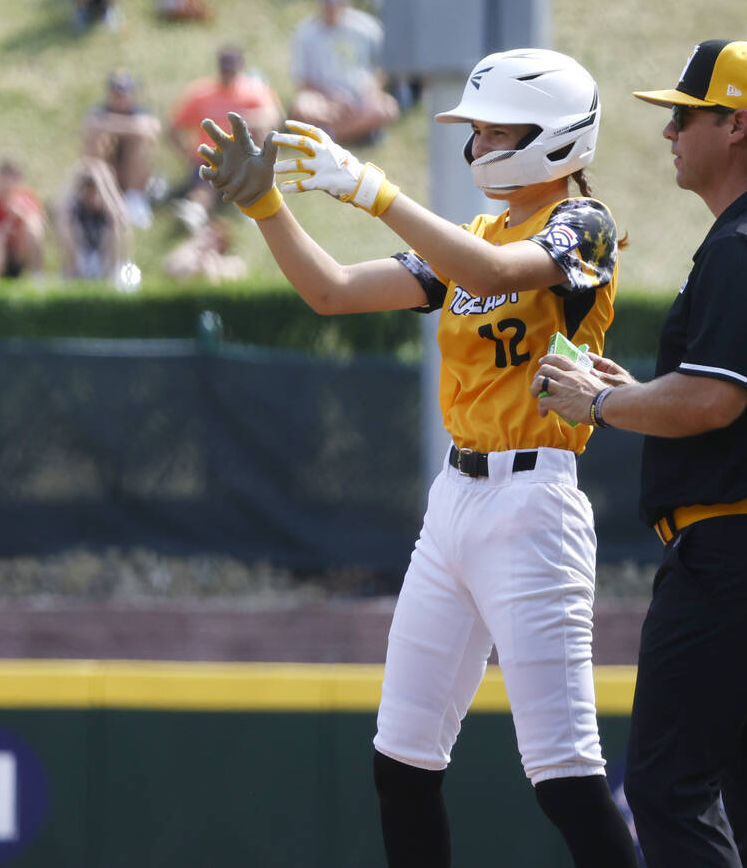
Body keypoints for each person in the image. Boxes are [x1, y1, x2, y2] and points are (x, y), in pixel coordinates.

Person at [195, 48, 639, 868]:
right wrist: (265, 208)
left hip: (535, 503)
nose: (476, 146)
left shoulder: (587, 224)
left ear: (551, 135)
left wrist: (370, 189)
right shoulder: (472, 233)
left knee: (566, 777)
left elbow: (501, 272)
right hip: (456, 502)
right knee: (400, 761)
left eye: (494, 129)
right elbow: (330, 290)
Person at [534, 38, 747, 868]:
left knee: (667, 787)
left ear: (739, 126)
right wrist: (637, 388)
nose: (670, 133)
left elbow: (714, 399)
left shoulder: (745, 245)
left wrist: (604, 402)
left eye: (686, 115)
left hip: (734, 554)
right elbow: (719, 394)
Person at [168, 45, 283, 229]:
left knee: (258, 133)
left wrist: (245, 120)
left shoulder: (254, 90)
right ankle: (197, 210)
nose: (227, 73)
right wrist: (188, 155)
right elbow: (174, 126)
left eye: (231, 68)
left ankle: (253, 198)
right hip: (212, 156)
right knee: (206, 181)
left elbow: (274, 117)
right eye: (224, 68)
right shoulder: (202, 93)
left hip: (244, 154)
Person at [288, 0, 400, 144]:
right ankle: (357, 133)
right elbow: (304, 80)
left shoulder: (367, 27)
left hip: (361, 98)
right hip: (323, 98)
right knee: (302, 106)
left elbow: (381, 68)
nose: (331, 3)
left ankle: (334, 136)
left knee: (388, 108)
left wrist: (371, 91)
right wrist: (332, 97)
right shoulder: (305, 32)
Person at [81, 71, 162, 229]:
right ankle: (97, 194)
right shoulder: (99, 111)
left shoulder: (140, 111)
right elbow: (90, 126)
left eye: (123, 93)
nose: (120, 98)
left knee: (138, 142)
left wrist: (111, 125)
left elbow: (150, 129)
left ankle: (134, 199)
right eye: (116, 93)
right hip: (110, 167)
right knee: (99, 141)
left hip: (133, 172)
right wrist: (127, 127)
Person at [53, 158, 131, 281]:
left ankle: (112, 278)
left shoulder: (108, 209)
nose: (90, 194)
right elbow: (57, 209)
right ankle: (70, 278)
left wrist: (105, 182)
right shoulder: (76, 207)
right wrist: (75, 176)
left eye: (94, 189)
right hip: (82, 259)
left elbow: (120, 217)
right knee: (65, 227)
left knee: (115, 230)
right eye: (87, 188)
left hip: (105, 259)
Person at [0, 160, 46, 279]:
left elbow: (36, 225)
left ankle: (37, 275)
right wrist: (7, 222)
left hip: (19, 255)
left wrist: (21, 217)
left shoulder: (26, 199)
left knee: (33, 226)